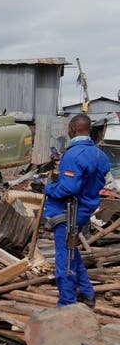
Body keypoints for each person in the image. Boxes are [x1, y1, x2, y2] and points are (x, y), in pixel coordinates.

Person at [43, 114, 111, 307]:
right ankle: (88, 293)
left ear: (72, 130)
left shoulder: (74, 154)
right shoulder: (100, 154)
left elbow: (69, 188)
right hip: (85, 208)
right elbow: (91, 178)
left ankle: (67, 303)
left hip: (69, 212)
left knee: (65, 258)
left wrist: (47, 187)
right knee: (71, 249)